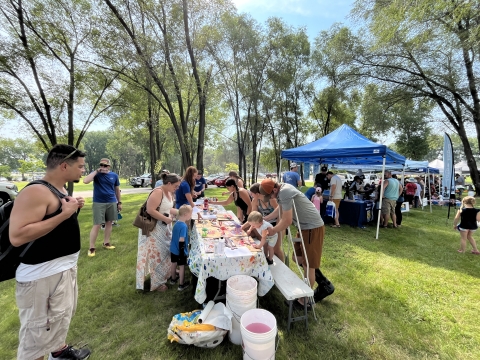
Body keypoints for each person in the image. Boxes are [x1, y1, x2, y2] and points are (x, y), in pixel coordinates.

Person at [9, 144, 91, 360]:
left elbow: (53, 227)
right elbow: (17, 236)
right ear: (64, 166)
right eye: (81, 166)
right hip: (41, 277)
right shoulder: (36, 191)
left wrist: (73, 209)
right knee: (35, 340)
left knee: (58, 320)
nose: (83, 171)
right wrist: (64, 214)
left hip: (61, 271)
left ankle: (60, 351)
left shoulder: (61, 189)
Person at [260, 179, 325, 306]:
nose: (271, 198)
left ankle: (305, 300)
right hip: (304, 228)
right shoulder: (281, 190)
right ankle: (320, 280)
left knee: (308, 265)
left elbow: (287, 220)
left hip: (312, 227)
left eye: (270, 195)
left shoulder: (284, 192)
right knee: (297, 258)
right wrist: (266, 218)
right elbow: (280, 208)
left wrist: (273, 230)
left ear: (274, 189)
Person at [136, 173, 181, 292]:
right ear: (169, 183)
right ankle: (157, 283)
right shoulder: (158, 192)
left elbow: (167, 208)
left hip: (164, 227)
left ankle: (166, 273)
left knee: (165, 252)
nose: (176, 188)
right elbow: (150, 210)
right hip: (154, 229)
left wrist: (181, 212)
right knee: (156, 255)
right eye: (175, 186)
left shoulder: (169, 192)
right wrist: (165, 219)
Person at [83, 158, 121, 257]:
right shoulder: (96, 174)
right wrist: (96, 171)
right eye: (101, 165)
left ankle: (106, 243)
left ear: (109, 166)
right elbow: (85, 181)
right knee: (97, 224)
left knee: (109, 223)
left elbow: (117, 189)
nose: (103, 167)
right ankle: (91, 247)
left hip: (111, 201)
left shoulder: (114, 175)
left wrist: (119, 202)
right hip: (98, 202)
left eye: (105, 166)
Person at [249, 183, 283, 261]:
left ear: (257, 194)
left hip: (276, 224)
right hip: (264, 224)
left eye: (252, 194)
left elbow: (280, 214)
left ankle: (283, 267)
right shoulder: (255, 201)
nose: (251, 195)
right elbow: (252, 217)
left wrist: (275, 229)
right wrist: (243, 227)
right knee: (265, 244)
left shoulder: (271, 200)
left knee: (276, 249)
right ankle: (266, 258)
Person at [169, 204, 193, 291]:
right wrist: (182, 253)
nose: (191, 216)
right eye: (190, 214)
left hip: (173, 249)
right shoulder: (184, 226)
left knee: (173, 264)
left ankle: (173, 279)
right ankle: (181, 284)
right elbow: (181, 240)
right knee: (182, 266)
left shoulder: (176, 223)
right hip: (180, 250)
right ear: (186, 215)